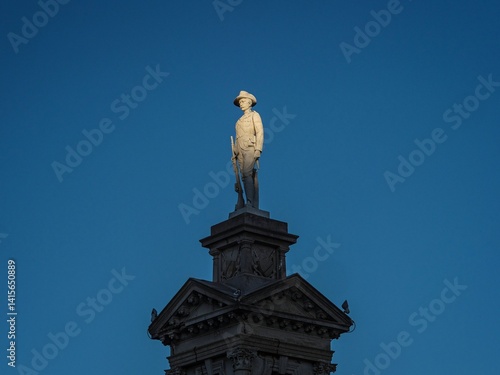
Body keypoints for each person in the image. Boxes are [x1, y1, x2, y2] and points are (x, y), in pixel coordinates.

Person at [232, 90, 264, 208]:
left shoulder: (254, 115)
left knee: (247, 173)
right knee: (244, 177)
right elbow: (237, 137)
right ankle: (245, 201)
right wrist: (235, 150)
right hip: (240, 150)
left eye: (243, 101)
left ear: (249, 102)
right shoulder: (239, 121)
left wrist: (258, 149)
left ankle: (250, 202)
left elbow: (260, 132)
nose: (241, 103)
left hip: (250, 147)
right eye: (240, 102)